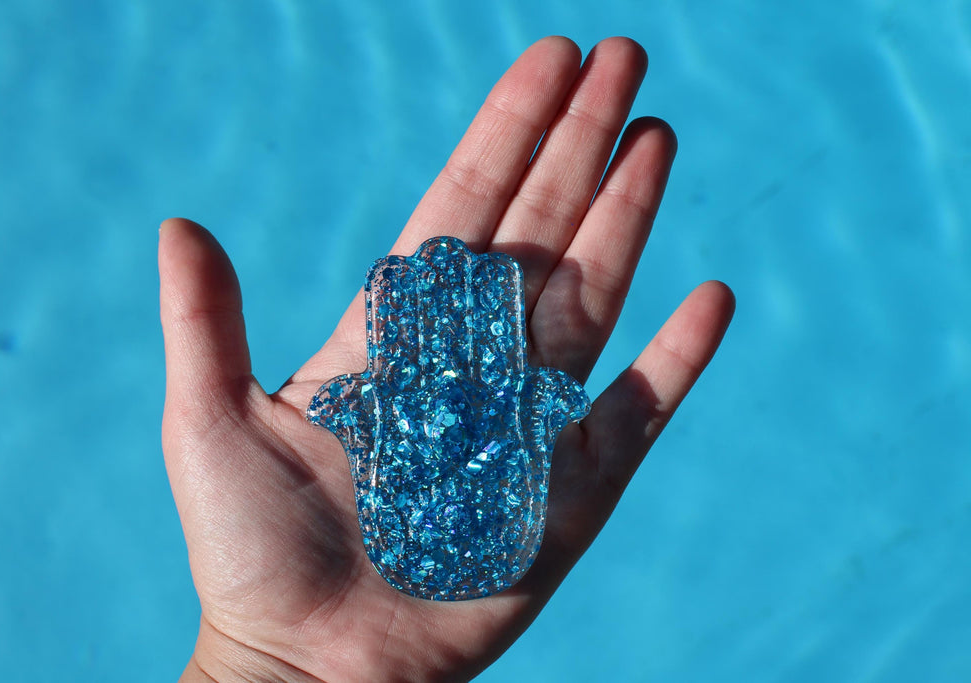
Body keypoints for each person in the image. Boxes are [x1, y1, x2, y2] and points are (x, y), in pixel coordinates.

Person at [158, 35, 735, 682]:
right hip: (432, 530)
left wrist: (258, 663)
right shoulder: (398, 409)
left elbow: (534, 406)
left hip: (482, 527)